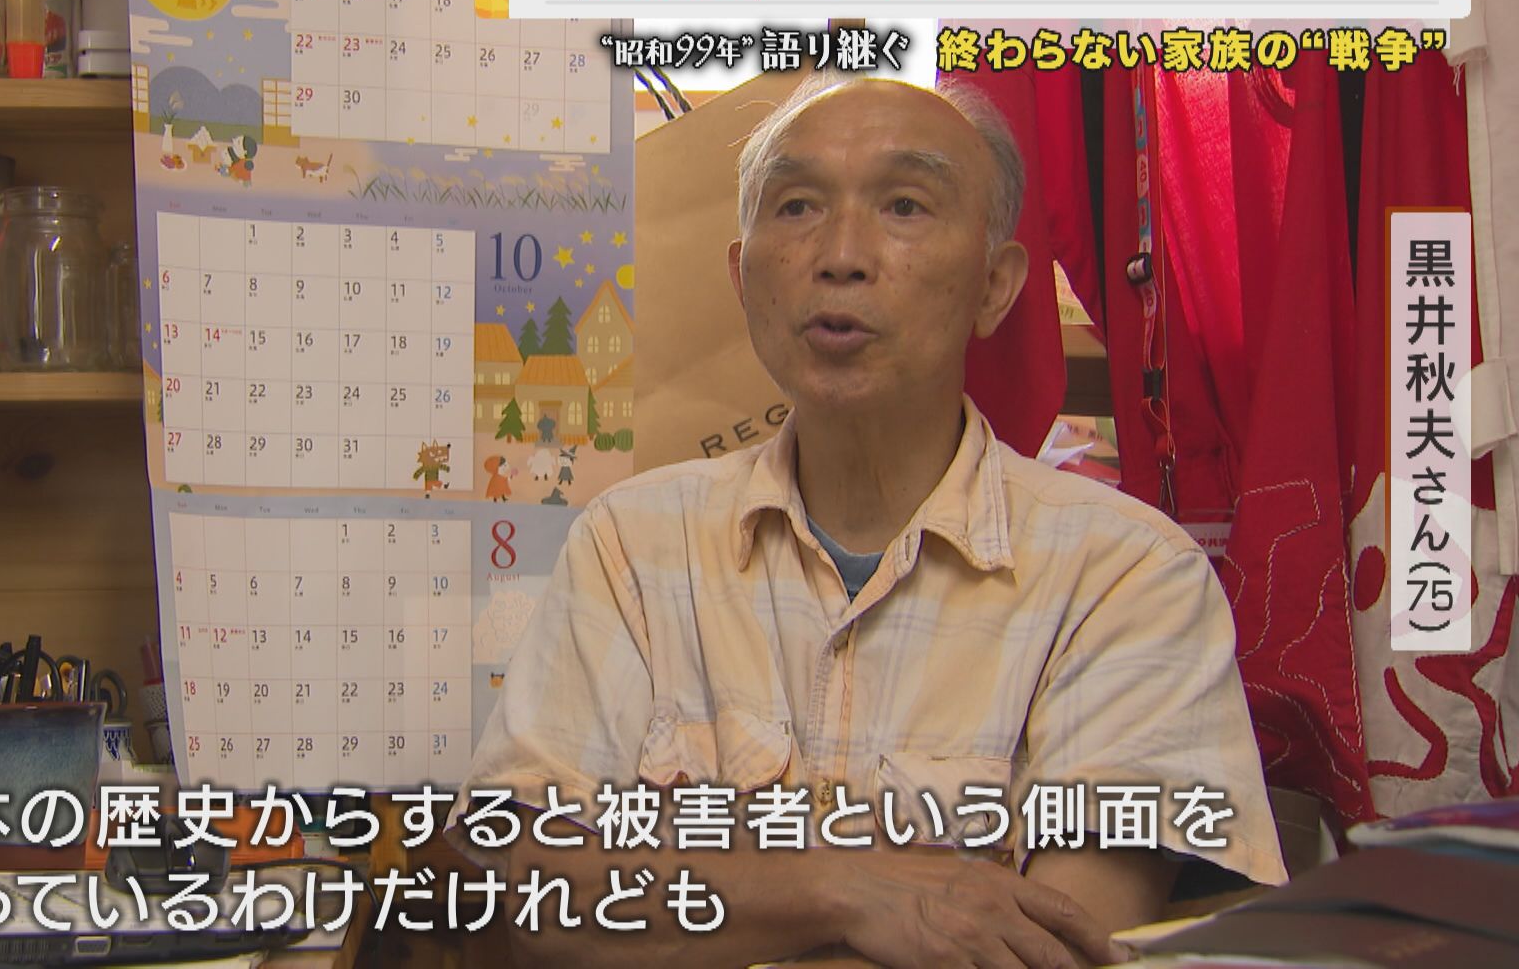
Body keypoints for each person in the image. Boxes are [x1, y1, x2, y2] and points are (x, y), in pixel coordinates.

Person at [448, 74, 1287, 969]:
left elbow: (1050, 944)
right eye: (797, 207)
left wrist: (704, 911)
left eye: (905, 206)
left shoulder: (1126, 576)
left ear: (995, 287)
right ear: (743, 278)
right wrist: (844, 887)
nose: (841, 255)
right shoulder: (633, 541)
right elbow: (517, 876)